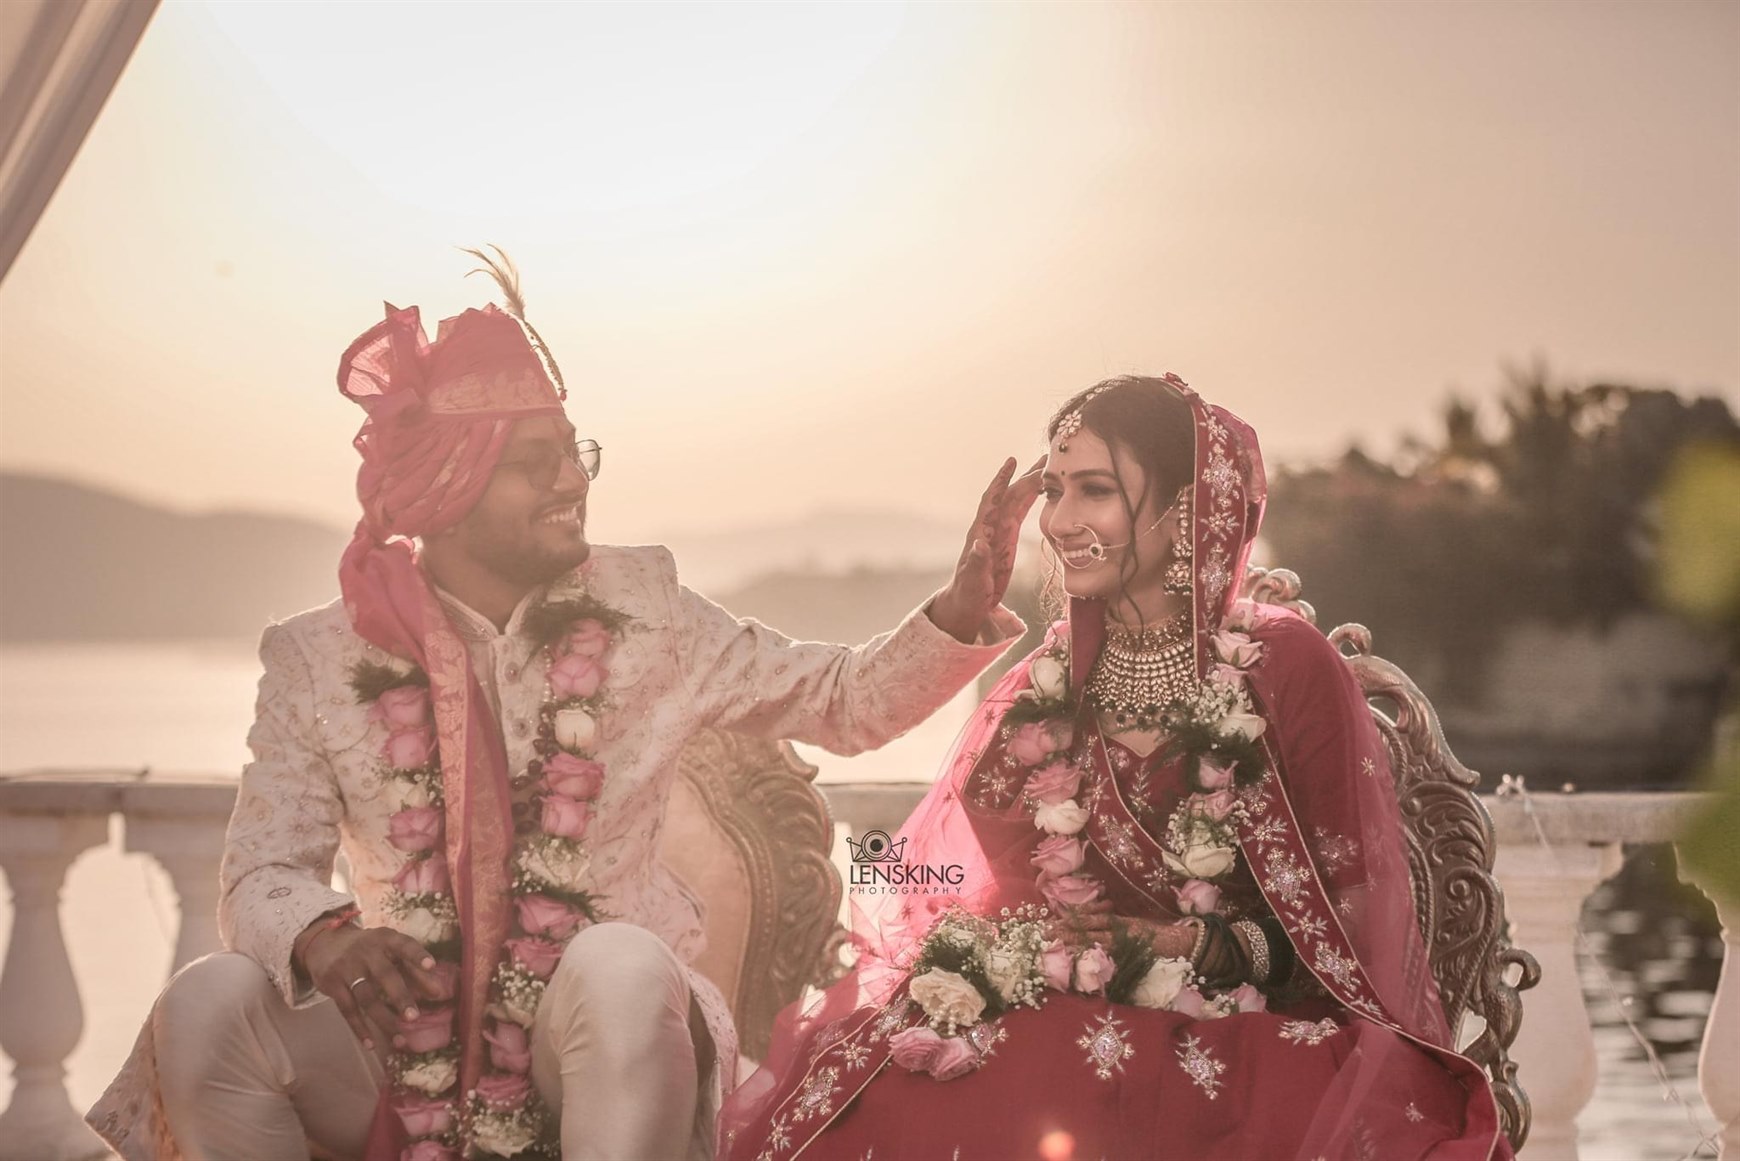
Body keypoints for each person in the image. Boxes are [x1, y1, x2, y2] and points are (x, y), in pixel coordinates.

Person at [86, 253, 1039, 1161]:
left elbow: (844, 700)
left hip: (602, 1040)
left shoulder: (646, 609)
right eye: (535, 462)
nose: (573, 480)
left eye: (574, 452)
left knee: (620, 964)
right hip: (400, 1053)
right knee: (210, 1003)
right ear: (450, 485)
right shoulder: (319, 657)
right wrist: (323, 937)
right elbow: (258, 871)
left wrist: (959, 610)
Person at [719, 374, 1509, 1161]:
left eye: (1094, 490)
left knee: (1064, 1073)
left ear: (1186, 510)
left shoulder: (1282, 670)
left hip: (1241, 1028)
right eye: (1053, 491)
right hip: (1059, 1012)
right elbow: (1002, 890)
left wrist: (1184, 943)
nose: (1059, 521)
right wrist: (1034, 946)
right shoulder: (1046, 688)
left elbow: (1342, 928)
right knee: (902, 1072)